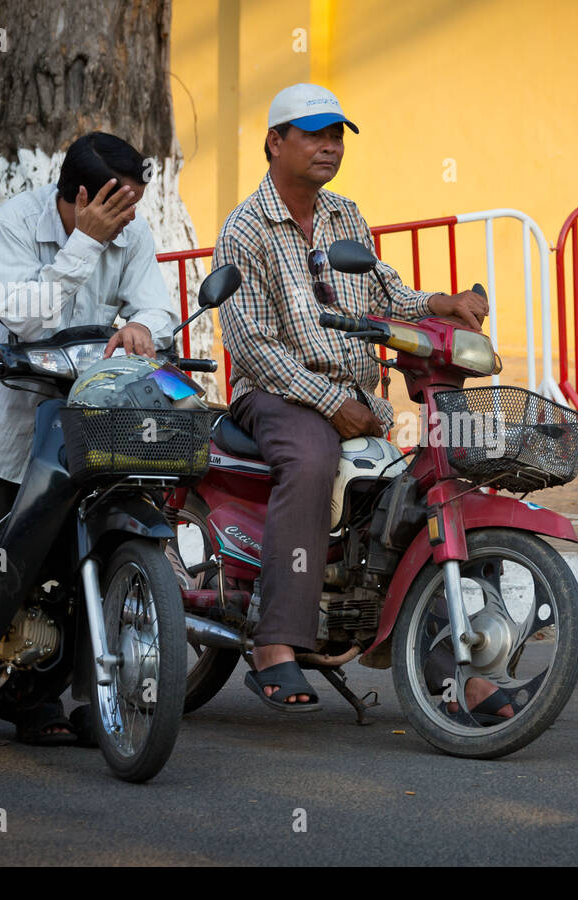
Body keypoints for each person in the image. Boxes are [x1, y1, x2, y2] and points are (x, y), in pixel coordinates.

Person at [213, 83, 497, 713]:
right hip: (276, 396)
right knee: (312, 461)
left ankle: (445, 661)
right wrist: (329, 403)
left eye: (337, 134)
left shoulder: (346, 216)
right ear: (274, 142)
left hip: (358, 396)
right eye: (315, 134)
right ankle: (275, 646)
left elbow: (384, 293)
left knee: (420, 488)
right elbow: (251, 343)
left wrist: (440, 304)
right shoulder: (244, 229)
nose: (330, 146)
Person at [0, 131, 178, 744]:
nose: (131, 222)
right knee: (10, 558)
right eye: (118, 208)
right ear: (79, 196)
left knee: (80, 553)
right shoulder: (17, 220)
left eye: (133, 208)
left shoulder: (131, 233)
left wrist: (143, 332)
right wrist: (84, 245)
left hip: (81, 416)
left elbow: (158, 305)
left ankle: (75, 695)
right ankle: (3, 685)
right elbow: (23, 314)